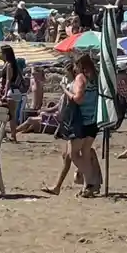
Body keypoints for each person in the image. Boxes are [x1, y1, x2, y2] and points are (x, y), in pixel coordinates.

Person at [45, 55, 102, 197]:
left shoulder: (81, 78)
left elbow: (78, 98)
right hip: (93, 120)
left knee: (74, 154)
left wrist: (65, 89)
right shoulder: (95, 77)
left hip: (80, 120)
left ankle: (91, 181)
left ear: (79, 65)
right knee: (86, 152)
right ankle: (88, 186)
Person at [0, 44, 27, 143]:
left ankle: (7, 134)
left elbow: (8, 81)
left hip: (11, 92)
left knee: (7, 115)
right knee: (11, 116)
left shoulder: (9, 64)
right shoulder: (10, 64)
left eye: (1, 52)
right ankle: (12, 135)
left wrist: (4, 94)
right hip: (15, 92)